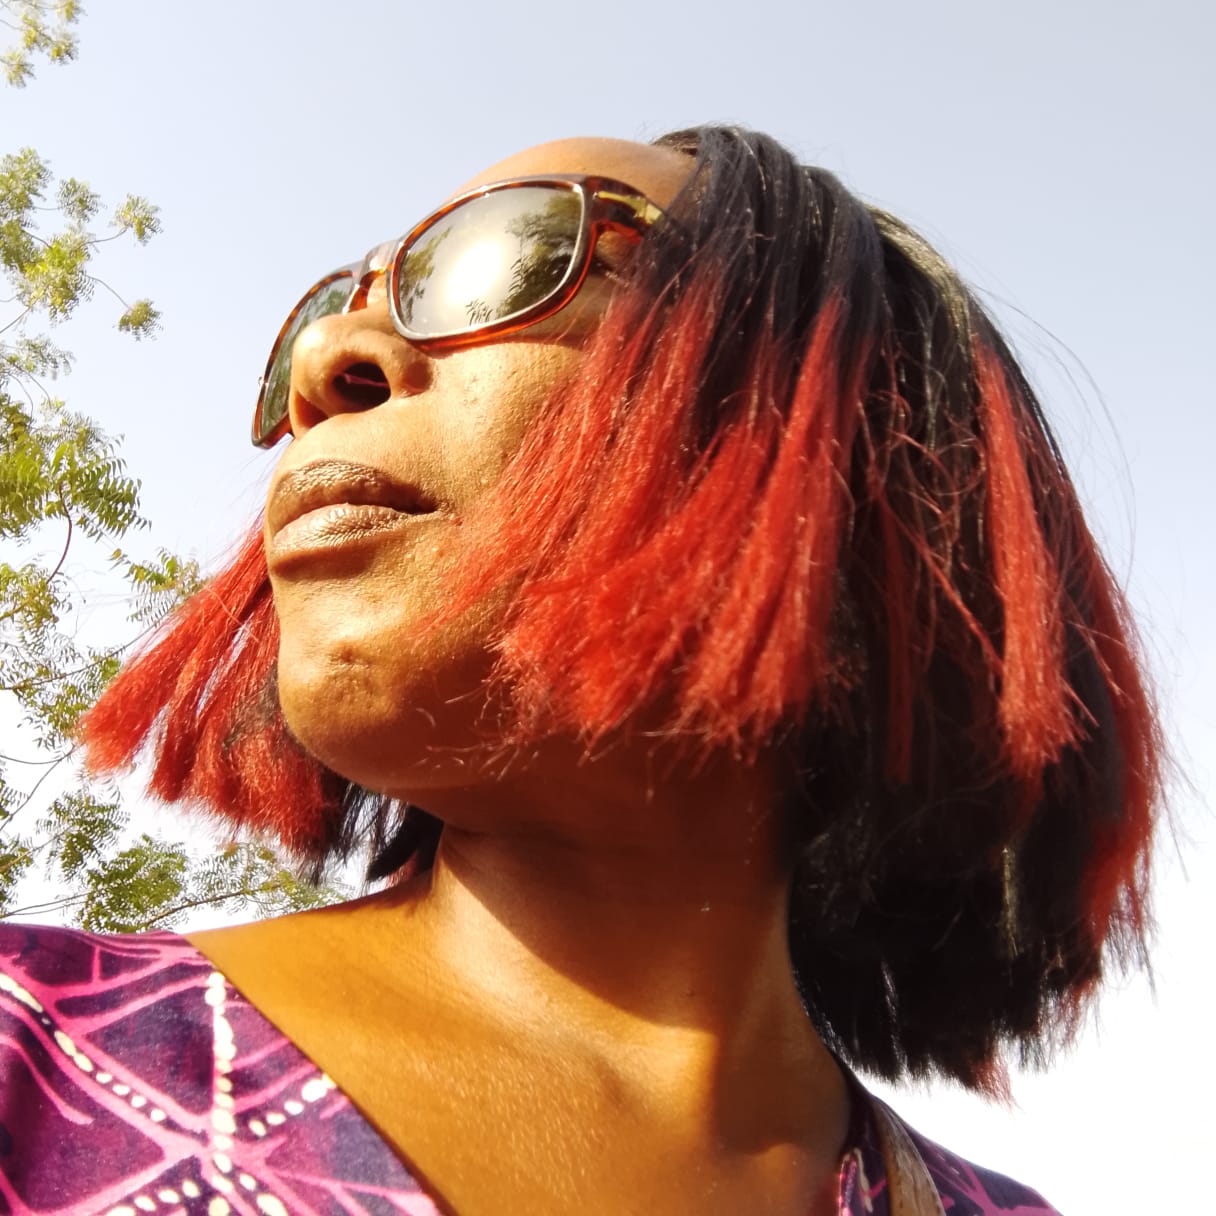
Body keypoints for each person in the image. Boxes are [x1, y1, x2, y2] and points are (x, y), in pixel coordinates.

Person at [0, 127, 1160, 1215]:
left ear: (841, 443)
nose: (323, 360)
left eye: (505, 259)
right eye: (323, 312)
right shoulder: (24, 1047)